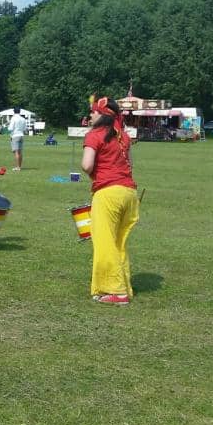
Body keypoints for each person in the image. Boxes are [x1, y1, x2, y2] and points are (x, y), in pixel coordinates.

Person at [82, 96, 139, 305]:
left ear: (102, 115)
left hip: (108, 194)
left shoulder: (94, 135)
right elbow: (130, 165)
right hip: (129, 194)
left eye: (93, 112)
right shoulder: (123, 136)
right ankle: (124, 286)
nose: (90, 115)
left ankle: (115, 290)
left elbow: (87, 165)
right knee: (119, 243)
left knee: (105, 242)